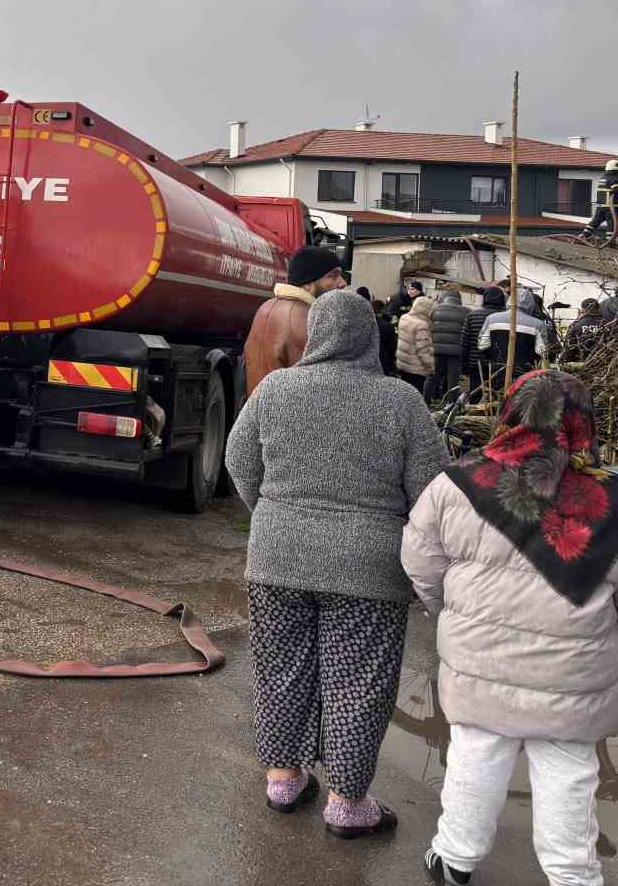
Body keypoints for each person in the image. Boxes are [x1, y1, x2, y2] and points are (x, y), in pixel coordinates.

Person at [227, 290, 449, 837]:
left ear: (315, 334)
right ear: (370, 335)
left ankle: (283, 779)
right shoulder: (401, 402)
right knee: (358, 683)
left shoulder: (276, 390)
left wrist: (273, 513)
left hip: (277, 559)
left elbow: (237, 459)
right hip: (368, 569)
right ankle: (348, 805)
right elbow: (431, 491)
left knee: (279, 671)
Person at [402, 371, 618, 886]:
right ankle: (574, 877)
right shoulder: (611, 500)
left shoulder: (455, 483)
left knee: (474, 758)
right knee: (568, 775)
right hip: (573, 675)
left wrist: (450, 614)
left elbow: (420, 560)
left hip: (478, 659)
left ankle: (454, 859)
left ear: (511, 414)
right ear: (581, 423)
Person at [242, 245, 347, 397]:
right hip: (294, 416)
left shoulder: (266, 307)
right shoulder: (310, 317)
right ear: (308, 283)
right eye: (333, 276)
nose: (342, 283)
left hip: (260, 414)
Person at [478, 288, 553, 381]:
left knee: (497, 394)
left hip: (497, 372)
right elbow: (542, 353)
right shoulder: (538, 325)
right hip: (525, 375)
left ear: (509, 300)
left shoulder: (491, 319)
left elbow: (482, 346)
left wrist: (493, 359)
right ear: (531, 304)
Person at [463, 285, 507, 394]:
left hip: (475, 363)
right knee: (496, 395)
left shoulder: (472, 315)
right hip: (499, 364)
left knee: (475, 394)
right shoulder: (506, 317)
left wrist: (464, 367)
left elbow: (464, 343)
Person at [428, 289, 469, 403]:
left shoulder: (435, 309)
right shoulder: (466, 312)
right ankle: (451, 405)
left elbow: (429, 326)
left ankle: (425, 402)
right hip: (456, 351)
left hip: (437, 349)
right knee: (453, 380)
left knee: (432, 377)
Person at [396, 294, 437, 395]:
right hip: (416, 368)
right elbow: (423, 351)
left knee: (405, 394)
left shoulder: (404, 317)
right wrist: (430, 368)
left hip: (403, 364)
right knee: (415, 398)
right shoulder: (421, 325)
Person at [581, 160, 618, 240]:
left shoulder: (603, 177)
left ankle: (584, 235)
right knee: (612, 224)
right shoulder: (614, 178)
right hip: (611, 207)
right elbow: (616, 189)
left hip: (601, 206)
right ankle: (610, 240)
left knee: (595, 221)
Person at [375, 299, 399, 376]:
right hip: (383, 360)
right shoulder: (388, 326)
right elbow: (392, 347)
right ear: (382, 309)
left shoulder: (364, 324)